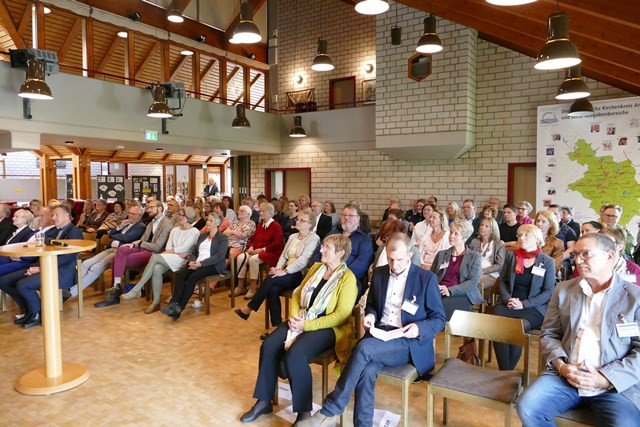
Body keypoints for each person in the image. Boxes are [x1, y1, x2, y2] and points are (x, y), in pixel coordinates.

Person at [299, 233, 446, 427]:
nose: (394, 265)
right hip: (380, 334)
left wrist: (419, 327)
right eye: (391, 259)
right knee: (367, 371)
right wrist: (370, 316)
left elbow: (439, 320)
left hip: (408, 341)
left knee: (363, 349)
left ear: (410, 255)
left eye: (399, 260)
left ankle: (330, 410)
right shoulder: (380, 273)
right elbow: (373, 305)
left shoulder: (426, 278)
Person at [516, 233, 640, 426]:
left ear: (610, 256)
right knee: (528, 407)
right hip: (566, 378)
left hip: (615, 386)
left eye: (586, 254)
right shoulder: (564, 289)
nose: (577, 260)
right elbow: (549, 334)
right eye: (575, 254)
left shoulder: (635, 297)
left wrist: (606, 379)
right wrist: (562, 367)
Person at [240, 234, 358, 424]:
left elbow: (341, 315)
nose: (321, 251)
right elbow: (297, 295)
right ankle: (264, 401)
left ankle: (303, 414)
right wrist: (295, 317)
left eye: (326, 248)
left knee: (295, 354)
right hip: (302, 318)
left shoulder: (347, 278)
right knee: (269, 345)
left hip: (329, 327)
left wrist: (307, 325)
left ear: (340, 253)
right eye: (322, 247)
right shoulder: (317, 268)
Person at [0, 205, 83, 328]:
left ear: (66, 216)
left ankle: (37, 314)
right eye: (52, 215)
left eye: (56, 215)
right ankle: (29, 309)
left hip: (61, 272)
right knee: (4, 280)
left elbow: (67, 258)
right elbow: (42, 252)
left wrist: (40, 268)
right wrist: (33, 267)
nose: (53, 218)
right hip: (45, 267)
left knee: (23, 285)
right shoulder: (55, 231)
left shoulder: (74, 232)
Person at [235, 210, 320, 327]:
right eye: (297, 219)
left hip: (300, 274)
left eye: (301, 220)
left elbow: (303, 262)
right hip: (286, 271)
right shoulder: (293, 236)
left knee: (271, 279)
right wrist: (278, 268)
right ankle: (276, 327)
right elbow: (284, 255)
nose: (297, 221)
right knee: (272, 289)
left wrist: (284, 271)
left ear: (309, 224)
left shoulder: (313, 238)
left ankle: (249, 308)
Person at [493, 224, 556, 370]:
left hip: (532, 307)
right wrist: (508, 299)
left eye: (526, 235)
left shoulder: (547, 262)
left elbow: (548, 291)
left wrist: (524, 304)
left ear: (537, 239)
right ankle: (505, 371)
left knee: (516, 329)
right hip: (507, 303)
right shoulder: (511, 256)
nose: (521, 238)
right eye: (519, 235)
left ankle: (507, 371)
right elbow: (502, 281)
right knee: (497, 327)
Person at [94, 200, 173, 307]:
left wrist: (139, 243)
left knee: (114, 259)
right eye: (148, 207)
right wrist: (133, 244)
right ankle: (116, 286)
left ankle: (115, 293)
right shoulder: (150, 223)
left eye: (151, 207)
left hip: (153, 253)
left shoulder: (167, 224)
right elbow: (141, 240)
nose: (148, 210)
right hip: (142, 249)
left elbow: (157, 247)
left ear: (159, 208)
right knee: (121, 249)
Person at [121, 207, 200, 313]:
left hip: (184, 260)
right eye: (180, 214)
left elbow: (185, 248)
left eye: (183, 215)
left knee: (154, 257)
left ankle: (137, 288)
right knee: (157, 268)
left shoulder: (194, 231)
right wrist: (174, 251)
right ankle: (156, 302)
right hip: (172, 256)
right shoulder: (175, 230)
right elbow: (168, 247)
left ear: (189, 217)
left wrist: (175, 251)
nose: (180, 217)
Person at [161, 213, 229, 320]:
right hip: (197, 263)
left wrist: (201, 264)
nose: (207, 222)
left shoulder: (222, 238)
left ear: (218, 223)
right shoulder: (203, 236)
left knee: (192, 278)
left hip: (213, 266)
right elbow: (194, 252)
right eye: (207, 220)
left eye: (211, 221)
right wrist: (192, 261)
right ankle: (173, 304)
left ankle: (179, 308)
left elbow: (219, 256)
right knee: (182, 275)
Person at [70, 206, 146, 298]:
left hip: (120, 253)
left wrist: (115, 237)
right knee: (86, 263)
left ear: (139, 216)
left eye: (133, 214)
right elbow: (110, 234)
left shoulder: (140, 226)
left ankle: (72, 292)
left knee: (96, 267)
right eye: (129, 213)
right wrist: (120, 226)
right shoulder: (125, 223)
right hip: (111, 249)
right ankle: (69, 286)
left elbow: (127, 238)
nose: (130, 215)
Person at [311, 203, 373, 297]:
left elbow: (361, 265)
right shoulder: (332, 234)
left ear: (358, 218)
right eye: (344, 215)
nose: (346, 218)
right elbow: (317, 253)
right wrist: (321, 271)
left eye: (350, 215)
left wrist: (336, 275)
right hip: (323, 275)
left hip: (347, 280)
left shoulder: (364, 240)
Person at [430, 219, 482, 320]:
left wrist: (450, 290)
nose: (451, 236)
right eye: (451, 232)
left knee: (441, 308)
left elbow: (473, 282)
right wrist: (435, 286)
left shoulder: (474, 257)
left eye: (456, 234)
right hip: (439, 291)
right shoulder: (441, 254)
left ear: (465, 238)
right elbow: (432, 276)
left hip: (462, 293)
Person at [234, 202, 284, 299]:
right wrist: (251, 247)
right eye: (260, 211)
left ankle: (253, 288)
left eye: (263, 211)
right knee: (240, 257)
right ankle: (240, 286)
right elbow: (253, 239)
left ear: (270, 213)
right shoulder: (260, 225)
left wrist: (262, 250)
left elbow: (278, 244)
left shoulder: (276, 226)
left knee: (253, 260)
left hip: (271, 253)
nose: (260, 213)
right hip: (257, 250)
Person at [469, 217, 506, 290]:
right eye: (481, 225)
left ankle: (477, 301)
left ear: (492, 230)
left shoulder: (499, 244)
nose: (482, 227)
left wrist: (482, 271)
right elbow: (469, 259)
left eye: (486, 226)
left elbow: (499, 265)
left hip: (491, 274)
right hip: (474, 272)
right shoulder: (474, 242)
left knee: (474, 283)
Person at [0, 209, 36, 277]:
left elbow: (25, 250)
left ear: (25, 219)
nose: (13, 218)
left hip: (16, 260)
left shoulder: (29, 233)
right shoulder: (15, 231)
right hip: (6, 257)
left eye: (16, 216)